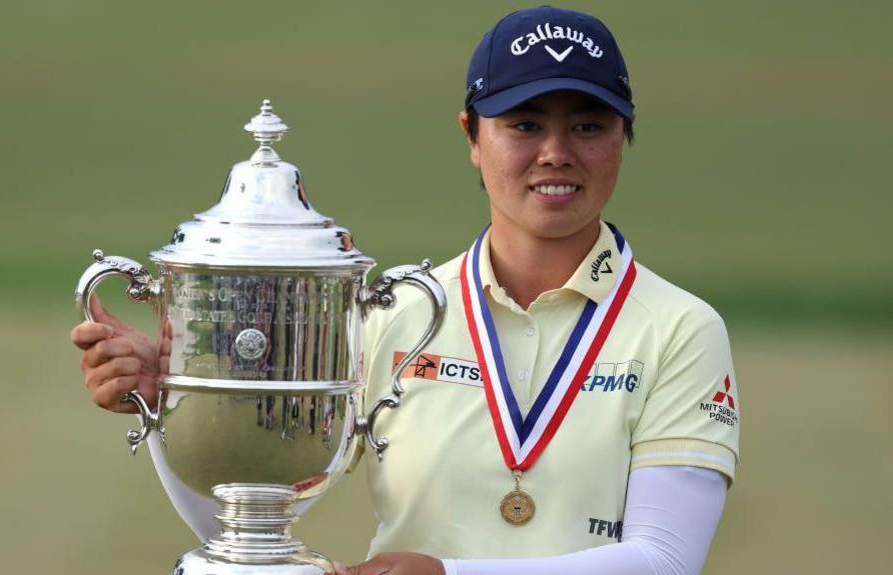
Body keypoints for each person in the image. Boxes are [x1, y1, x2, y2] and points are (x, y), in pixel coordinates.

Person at [71, 6, 740, 575]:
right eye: (525, 124)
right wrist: (174, 405)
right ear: (472, 138)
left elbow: (663, 559)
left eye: (588, 125)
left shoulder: (679, 327)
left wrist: (448, 574)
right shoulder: (399, 310)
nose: (556, 152)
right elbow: (253, 524)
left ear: (625, 136)